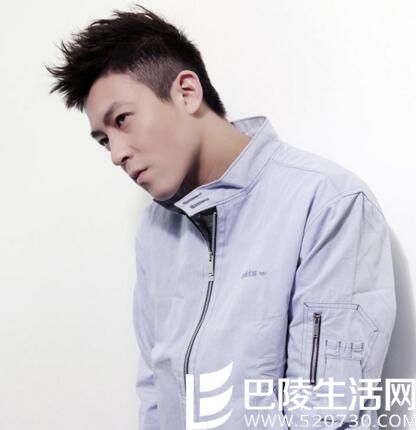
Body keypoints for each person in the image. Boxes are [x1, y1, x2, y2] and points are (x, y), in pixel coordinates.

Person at [45, 3, 397, 429]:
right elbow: (154, 390)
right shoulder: (156, 229)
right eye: (104, 140)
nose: (117, 154)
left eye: (123, 120)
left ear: (186, 92)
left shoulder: (325, 203)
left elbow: (328, 414)